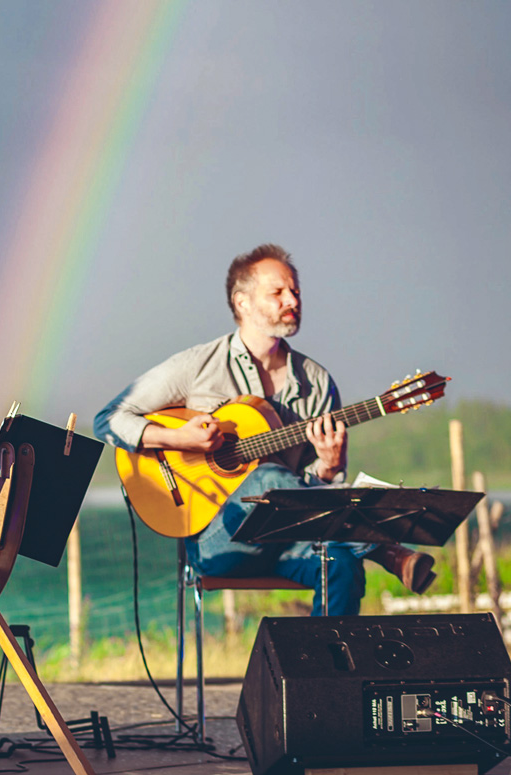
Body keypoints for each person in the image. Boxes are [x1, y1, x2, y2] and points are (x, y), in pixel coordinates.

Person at [94, 243, 434, 616]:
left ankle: (321, 672)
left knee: (341, 564)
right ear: (242, 303)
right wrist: (179, 438)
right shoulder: (198, 366)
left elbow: (318, 489)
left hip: (290, 539)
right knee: (267, 477)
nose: (292, 299)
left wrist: (328, 468)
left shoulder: (318, 383)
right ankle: (386, 550)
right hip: (220, 542)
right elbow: (107, 419)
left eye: (296, 291)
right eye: (278, 292)